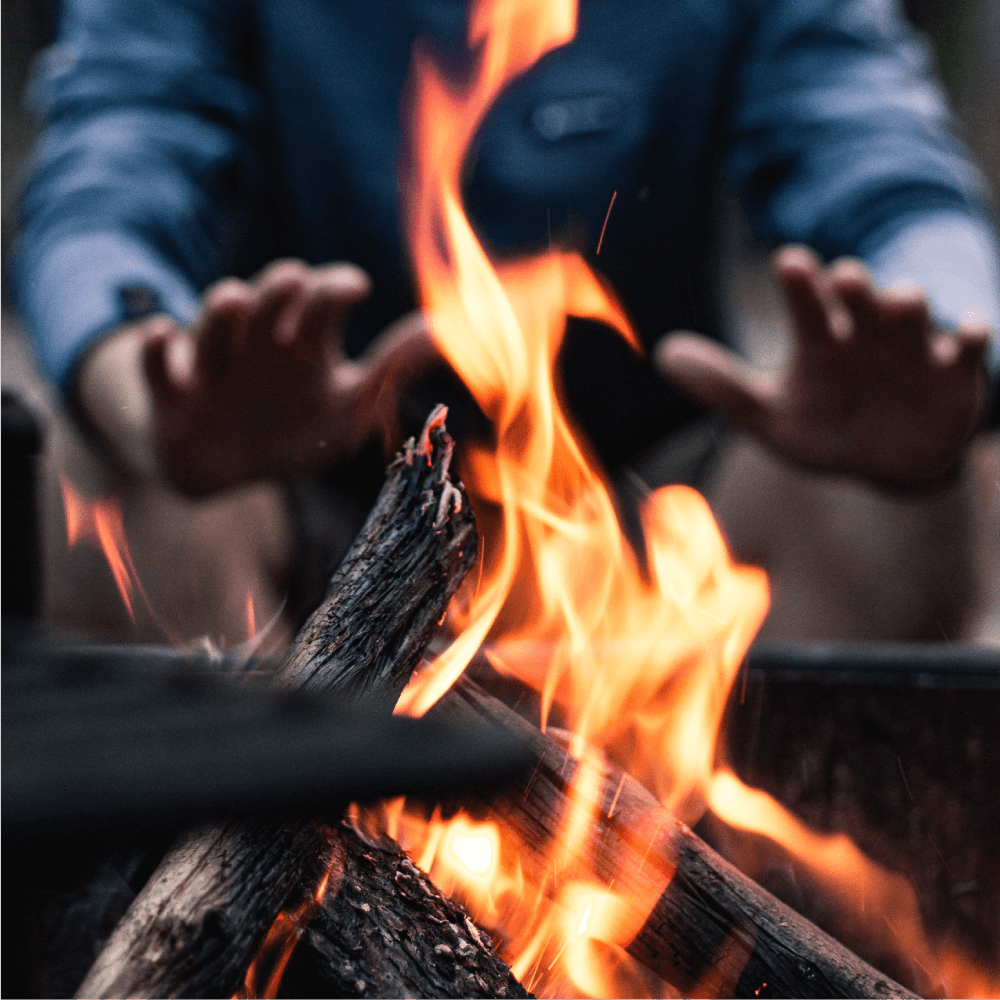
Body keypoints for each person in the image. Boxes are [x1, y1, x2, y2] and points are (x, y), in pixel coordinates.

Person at [11, 0, 1000, 637]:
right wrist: (150, 391)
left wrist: (951, 354)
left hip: (654, 512)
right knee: (110, 458)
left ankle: (773, 928)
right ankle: (240, 902)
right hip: (297, 486)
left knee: (897, 476)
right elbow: (104, 195)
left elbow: (894, 184)